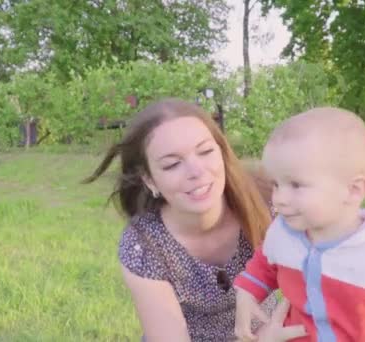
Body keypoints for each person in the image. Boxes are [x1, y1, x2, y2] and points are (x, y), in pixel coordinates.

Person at [83, 98, 305, 341]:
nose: (196, 171)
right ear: (150, 180)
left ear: (222, 153)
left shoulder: (272, 202)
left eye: (206, 151)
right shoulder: (144, 244)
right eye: (172, 164)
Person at [233, 107, 365, 341]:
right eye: (276, 184)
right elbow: (266, 262)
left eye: (295, 185)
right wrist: (247, 293)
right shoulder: (284, 233)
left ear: (353, 190)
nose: (279, 199)